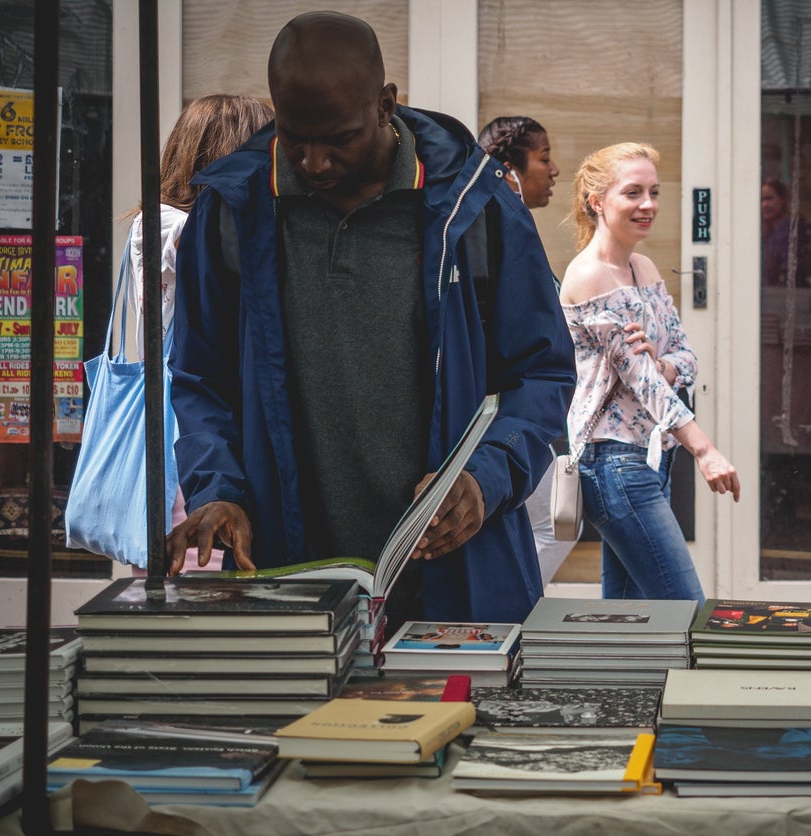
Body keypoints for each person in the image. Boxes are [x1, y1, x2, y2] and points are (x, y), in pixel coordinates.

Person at [166, 12, 575, 626]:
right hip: (288, 581)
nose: (315, 162)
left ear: (386, 104)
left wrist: (485, 477)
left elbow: (542, 373)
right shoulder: (233, 209)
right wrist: (218, 489)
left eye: (339, 138)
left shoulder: (477, 204)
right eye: (296, 137)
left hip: (459, 579)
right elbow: (200, 376)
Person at [559, 142, 739, 603]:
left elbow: (684, 356)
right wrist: (706, 450)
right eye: (633, 192)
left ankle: (617, 678)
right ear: (597, 201)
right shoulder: (589, 277)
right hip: (614, 464)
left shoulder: (642, 267)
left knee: (631, 621)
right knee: (686, 609)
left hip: (649, 458)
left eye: (654, 192)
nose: (648, 205)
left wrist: (661, 363)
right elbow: (644, 384)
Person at [120, 94, 274, 574]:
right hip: (188, 419)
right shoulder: (167, 225)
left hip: (195, 416)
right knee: (199, 561)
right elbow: (200, 245)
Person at [476, 115, 575, 585]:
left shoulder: (509, 225)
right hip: (508, 417)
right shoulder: (499, 226)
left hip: (524, 413)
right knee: (552, 528)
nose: (554, 170)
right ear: (507, 167)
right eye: (544, 157)